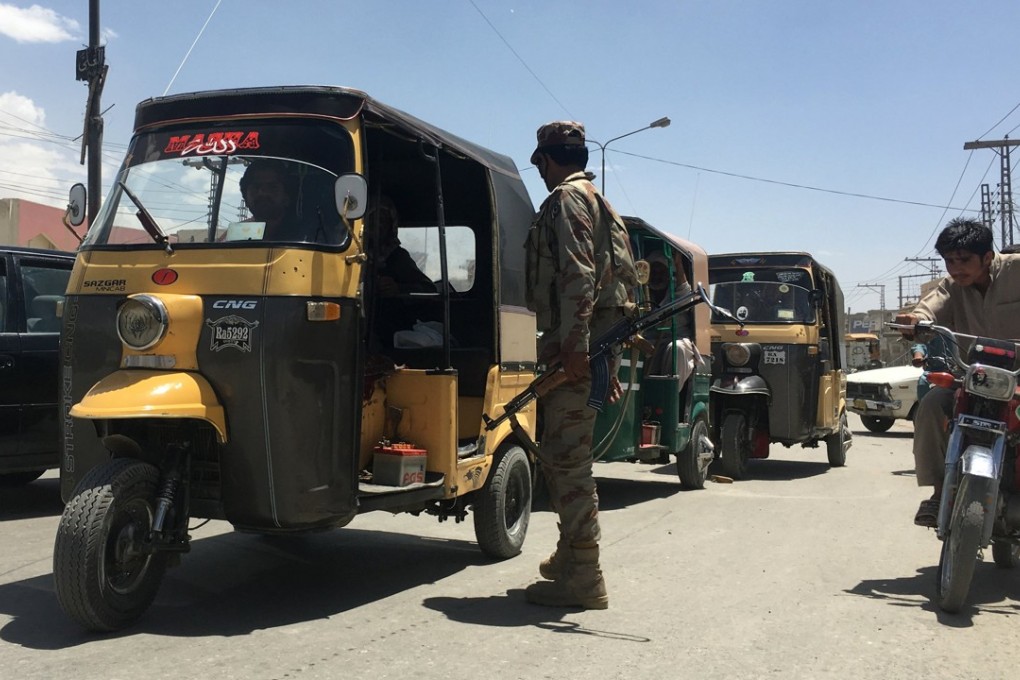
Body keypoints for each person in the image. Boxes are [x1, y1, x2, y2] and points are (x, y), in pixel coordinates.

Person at [522, 120, 634, 610]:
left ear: (547, 160)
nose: (541, 173)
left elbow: (578, 274)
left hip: (579, 342)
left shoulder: (568, 199)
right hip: (594, 340)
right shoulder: (600, 201)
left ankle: (585, 574)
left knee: (567, 458)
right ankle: (571, 556)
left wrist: (573, 349)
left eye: (540, 165)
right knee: (561, 452)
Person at [894, 218, 1020, 527]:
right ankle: (940, 493)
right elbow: (929, 307)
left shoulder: (1016, 269)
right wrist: (914, 321)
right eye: (949, 260)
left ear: (987, 257)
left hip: (1018, 376)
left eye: (964, 260)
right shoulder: (951, 286)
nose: (955, 268)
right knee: (932, 406)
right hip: (972, 376)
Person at [369, 195, 436, 296]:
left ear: (391, 226)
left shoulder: (398, 257)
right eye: (373, 219)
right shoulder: (351, 255)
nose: (378, 225)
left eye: (383, 220)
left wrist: (398, 289)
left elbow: (429, 289)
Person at [239, 160, 300, 241]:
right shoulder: (238, 236)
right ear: (245, 198)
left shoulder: (305, 238)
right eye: (256, 187)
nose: (262, 193)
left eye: (272, 187)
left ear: (287, 197)